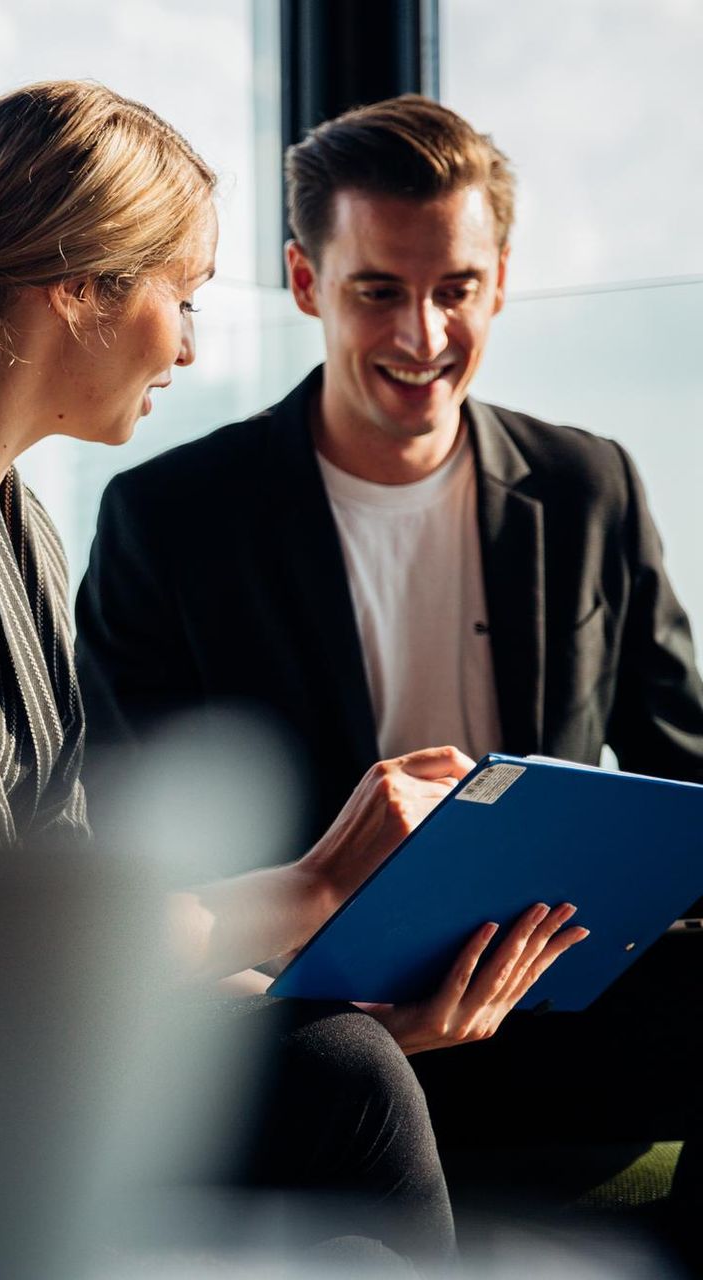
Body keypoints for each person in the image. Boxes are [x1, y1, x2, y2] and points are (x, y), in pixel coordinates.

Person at [0, 81, 583, 1263]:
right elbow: (2, 943)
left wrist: (339, 999)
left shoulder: (11, 523)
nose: (188, 343)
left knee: (343, 1059)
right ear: (78, 288)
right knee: (339, 1081)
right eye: (180, 297)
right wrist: (321, 882)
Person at [73, 95, 701, 1252]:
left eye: (456, 288)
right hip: (316, 1028)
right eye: (379, 291)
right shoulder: (171, 520)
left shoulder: (589, 484)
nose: (423, 334)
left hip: (556, 998)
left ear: (501, 280)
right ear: (307, 281)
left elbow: (683, 769)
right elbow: (137, 838)